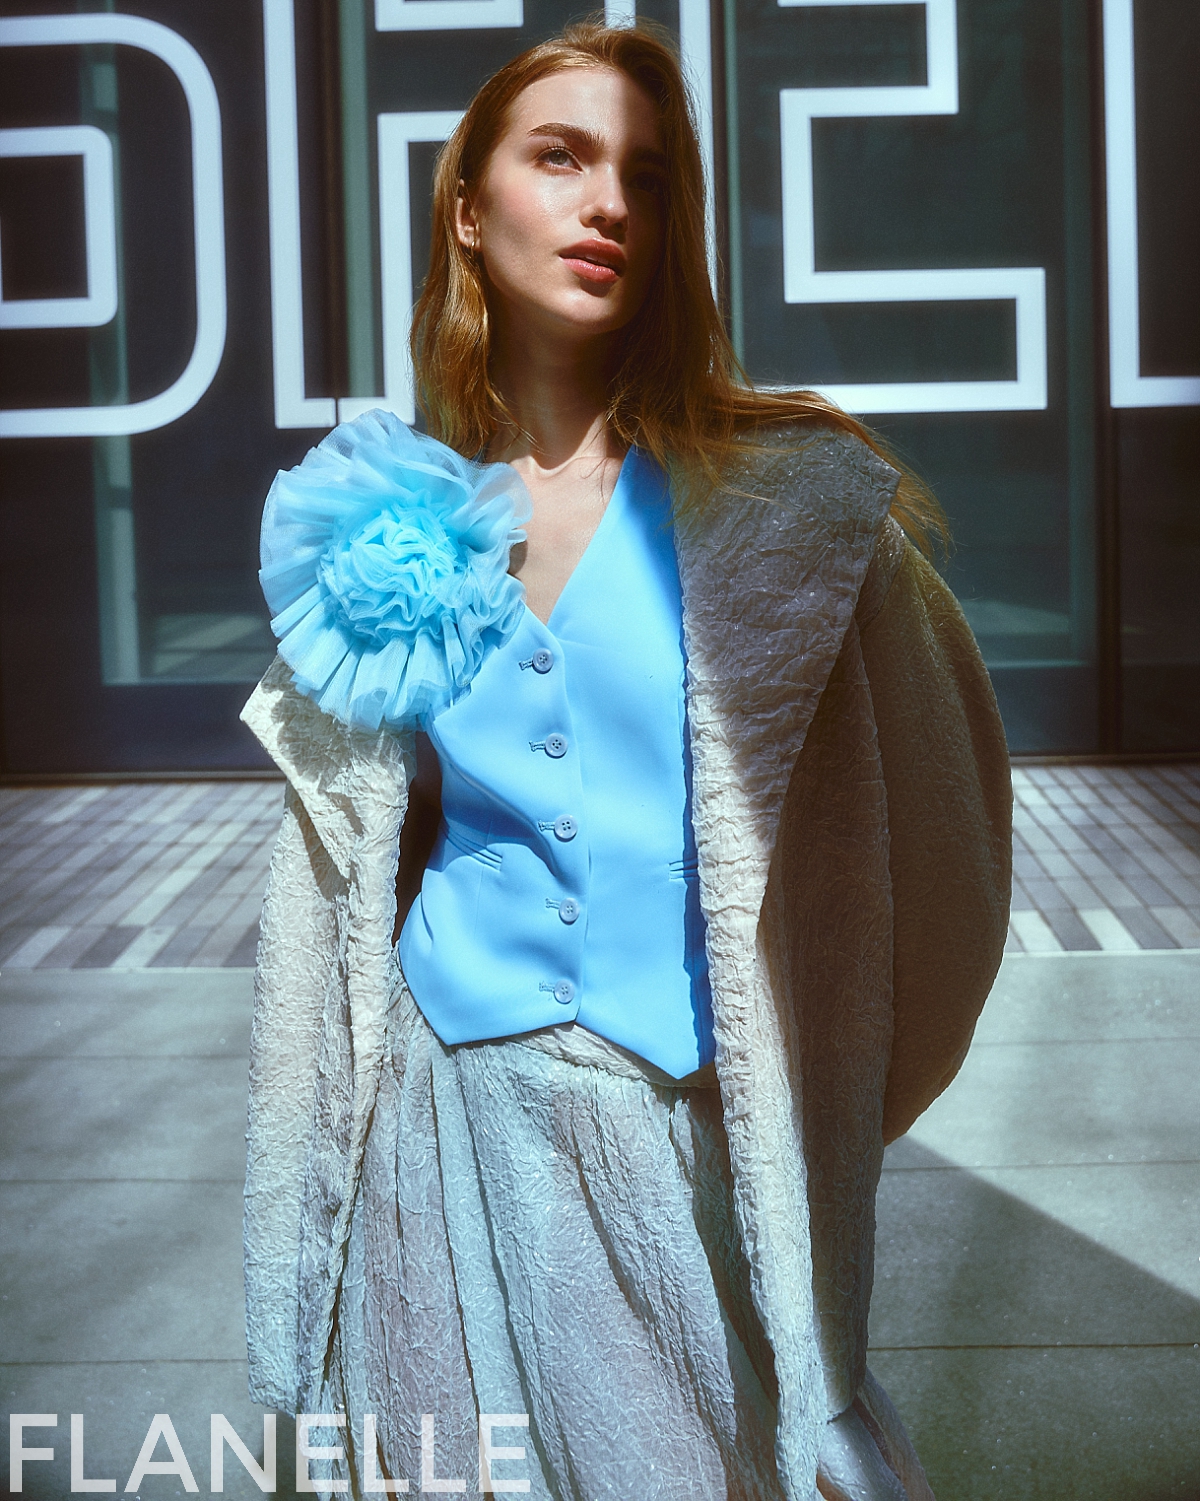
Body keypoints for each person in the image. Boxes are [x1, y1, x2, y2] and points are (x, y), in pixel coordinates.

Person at [239, 19, 1011, 1501]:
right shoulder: (392, 522)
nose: (608, 204)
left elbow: (945, 841)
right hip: (445, 1131)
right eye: (561, 157)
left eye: (647, 178)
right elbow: (347, 860)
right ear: (470, 209)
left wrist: (824, 1088)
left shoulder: (790, 513)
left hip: (692, 1131)